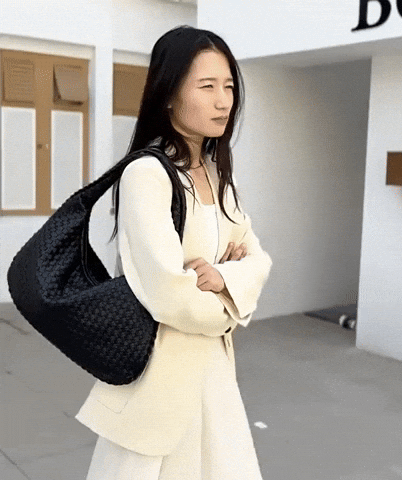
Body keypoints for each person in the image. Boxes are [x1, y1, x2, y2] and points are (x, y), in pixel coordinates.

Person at [75, 25, 272, 479]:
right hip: (158, 384)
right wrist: (232, 305)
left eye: (229, 87)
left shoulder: (219, 176)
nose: (224, 102)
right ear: (168, 95)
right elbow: (169, 294)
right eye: (207, 86)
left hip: (214, 376)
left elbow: (259, 260)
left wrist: (222, 279)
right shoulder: (147, 174)